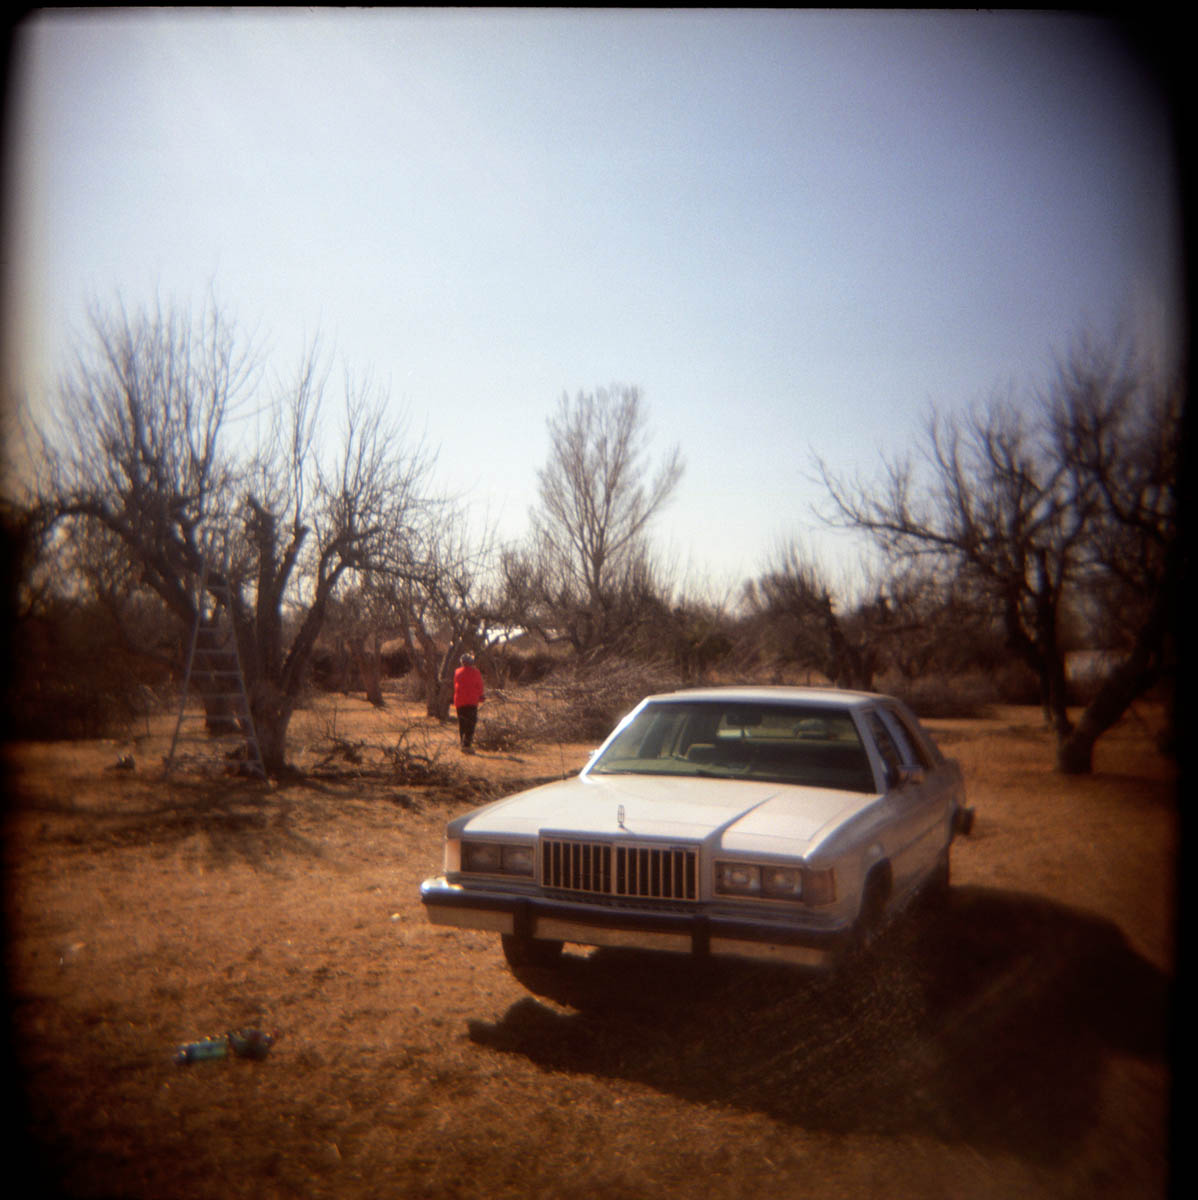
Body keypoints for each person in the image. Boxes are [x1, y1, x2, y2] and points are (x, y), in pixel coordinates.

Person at [453, 652, 485, 753]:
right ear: (471, 662)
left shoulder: (457, 672)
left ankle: (462, 743)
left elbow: (455, 686)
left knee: (462, 723)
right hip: (472, 701)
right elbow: (479, 686)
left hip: (460, 701)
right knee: (471, 723)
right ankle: (467, 745)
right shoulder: (476, 672)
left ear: (462, 662)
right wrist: (481, 697)